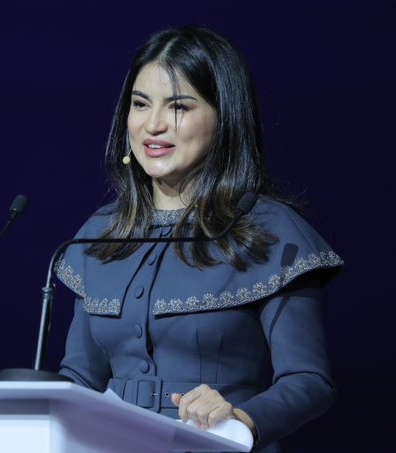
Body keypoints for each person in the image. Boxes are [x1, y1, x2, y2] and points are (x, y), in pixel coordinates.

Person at [55, 25, 343, 452]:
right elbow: (80, 379)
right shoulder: (99, 234)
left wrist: (240, 418)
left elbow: (309, 381)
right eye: (140, 104)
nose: (153, 125)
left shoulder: (271, 230)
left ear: (224, 119)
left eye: (179, 107)